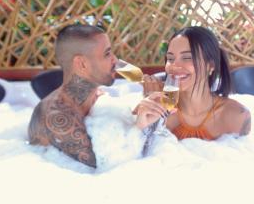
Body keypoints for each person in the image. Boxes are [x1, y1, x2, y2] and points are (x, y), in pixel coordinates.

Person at [28, 24, 167, 168]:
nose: (115, 60)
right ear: (82, 64)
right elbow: (109, 168)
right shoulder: (58, 118)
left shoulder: (98, 96)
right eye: (107, 54)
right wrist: (141, 125)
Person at [141, 26, 251, 140]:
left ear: (211, 65)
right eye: (170, 58)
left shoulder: (237, 117)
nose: (174, 66)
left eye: (187, 57)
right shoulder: (160, 108)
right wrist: (146, 124)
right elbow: (141, 154)